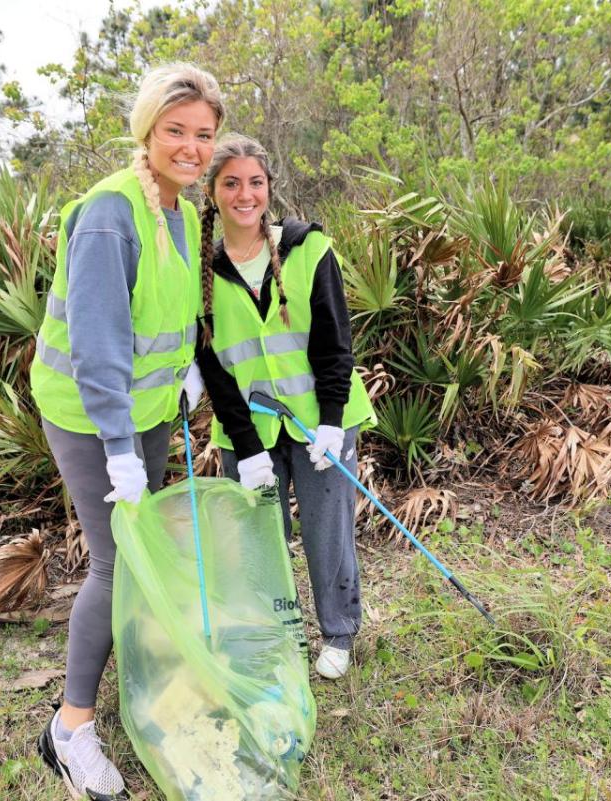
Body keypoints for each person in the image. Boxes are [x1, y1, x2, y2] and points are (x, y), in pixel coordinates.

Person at [29, 63, 225, 800]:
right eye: (177, 131)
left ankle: (142, 686)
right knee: (116, 565)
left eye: (203, 134)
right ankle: (70, 729)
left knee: (143, 564)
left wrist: (186, 367)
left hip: (143, 410)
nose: (192, 147)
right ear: (148, 129)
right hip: (90, 415)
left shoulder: (179, 209)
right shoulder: (113, 212)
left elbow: (160, 315)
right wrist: (119, 451)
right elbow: (100, 346)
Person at [193, 133, 376, 682]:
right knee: (259, 541)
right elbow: (216, 367)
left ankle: (338, 633)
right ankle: (276, 635)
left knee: (327, 532)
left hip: (321, 420)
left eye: (255, 182)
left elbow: (333, 345)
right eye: (231, 183)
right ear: (212, 191)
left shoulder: (308, 249)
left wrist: (330, 422)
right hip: (247, 429)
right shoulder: (199, 267)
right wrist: (245, 448)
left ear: (269, 188)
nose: (244, 194)